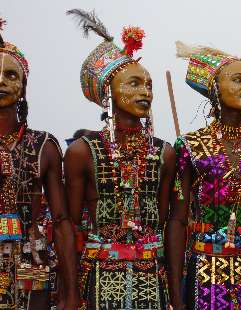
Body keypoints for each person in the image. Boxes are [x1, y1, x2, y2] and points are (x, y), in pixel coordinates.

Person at [64, 9, 173, 309]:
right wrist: (69, 292)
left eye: (148, 84)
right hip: (99, 274)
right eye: (134, 83)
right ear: (107, 92)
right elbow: (71, 227)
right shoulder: (82, 152)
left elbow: (165, 220)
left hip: (152, 274)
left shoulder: (164, 152)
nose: (145, 92)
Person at [168, 41, 241, 309]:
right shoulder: (190, 146)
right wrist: (175, 292)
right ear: (215, 89)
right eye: (238, 80)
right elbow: (178, 220)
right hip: (205, 268)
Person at [0, 16, 77, 309]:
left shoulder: (43, 145)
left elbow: (61, 221)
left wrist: (71, 292)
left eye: (11, 75)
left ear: (23, 86)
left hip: (30, 257)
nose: (1, 82)